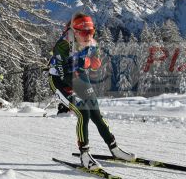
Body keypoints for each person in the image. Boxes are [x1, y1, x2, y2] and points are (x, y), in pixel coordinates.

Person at [48, 12, 136, 170]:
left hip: (78, 76)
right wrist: (83, 62)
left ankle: (114, 148)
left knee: (95, 112)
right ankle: (84, 155)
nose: (88, 36)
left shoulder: (91, 42)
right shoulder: (62, 45)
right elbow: (64, 74)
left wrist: (93, 62)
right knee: (84, 112)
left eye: (91, 32)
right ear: (74, 32)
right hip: (60, 81)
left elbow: (95, 61)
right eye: (84, 32)